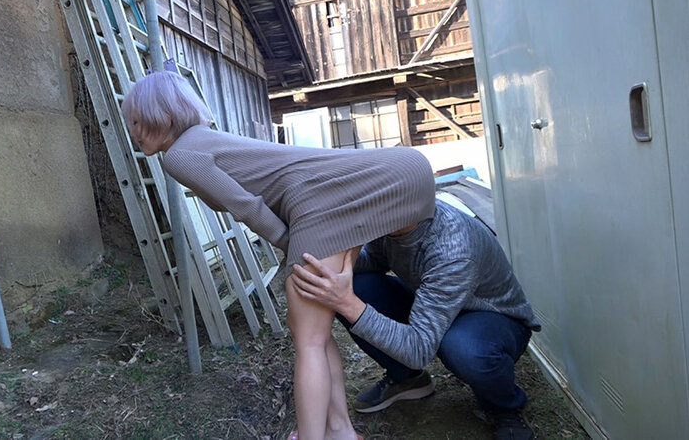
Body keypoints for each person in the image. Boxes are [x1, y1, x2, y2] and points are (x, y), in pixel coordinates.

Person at [121, 70, 436, 440]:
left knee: (309, 340)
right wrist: (294, 247)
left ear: (162, 116)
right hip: (377, 179)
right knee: (313, 333)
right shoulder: (200, 139)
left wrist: (291, 248)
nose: (132, 131)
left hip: (321, 200)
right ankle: (339, 430)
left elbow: (246, 206)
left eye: (136, 121)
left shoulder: (180, 155)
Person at [290, 197, 541, 440]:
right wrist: (339, 260)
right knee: (355, 286)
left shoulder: (453, 246)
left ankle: (504, 406)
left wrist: (347, 303)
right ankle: (407, 378)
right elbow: (373, 261)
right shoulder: (393, 221)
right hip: (433, 303)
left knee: (463, 347)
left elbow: (419, 350)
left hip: (492, 317)